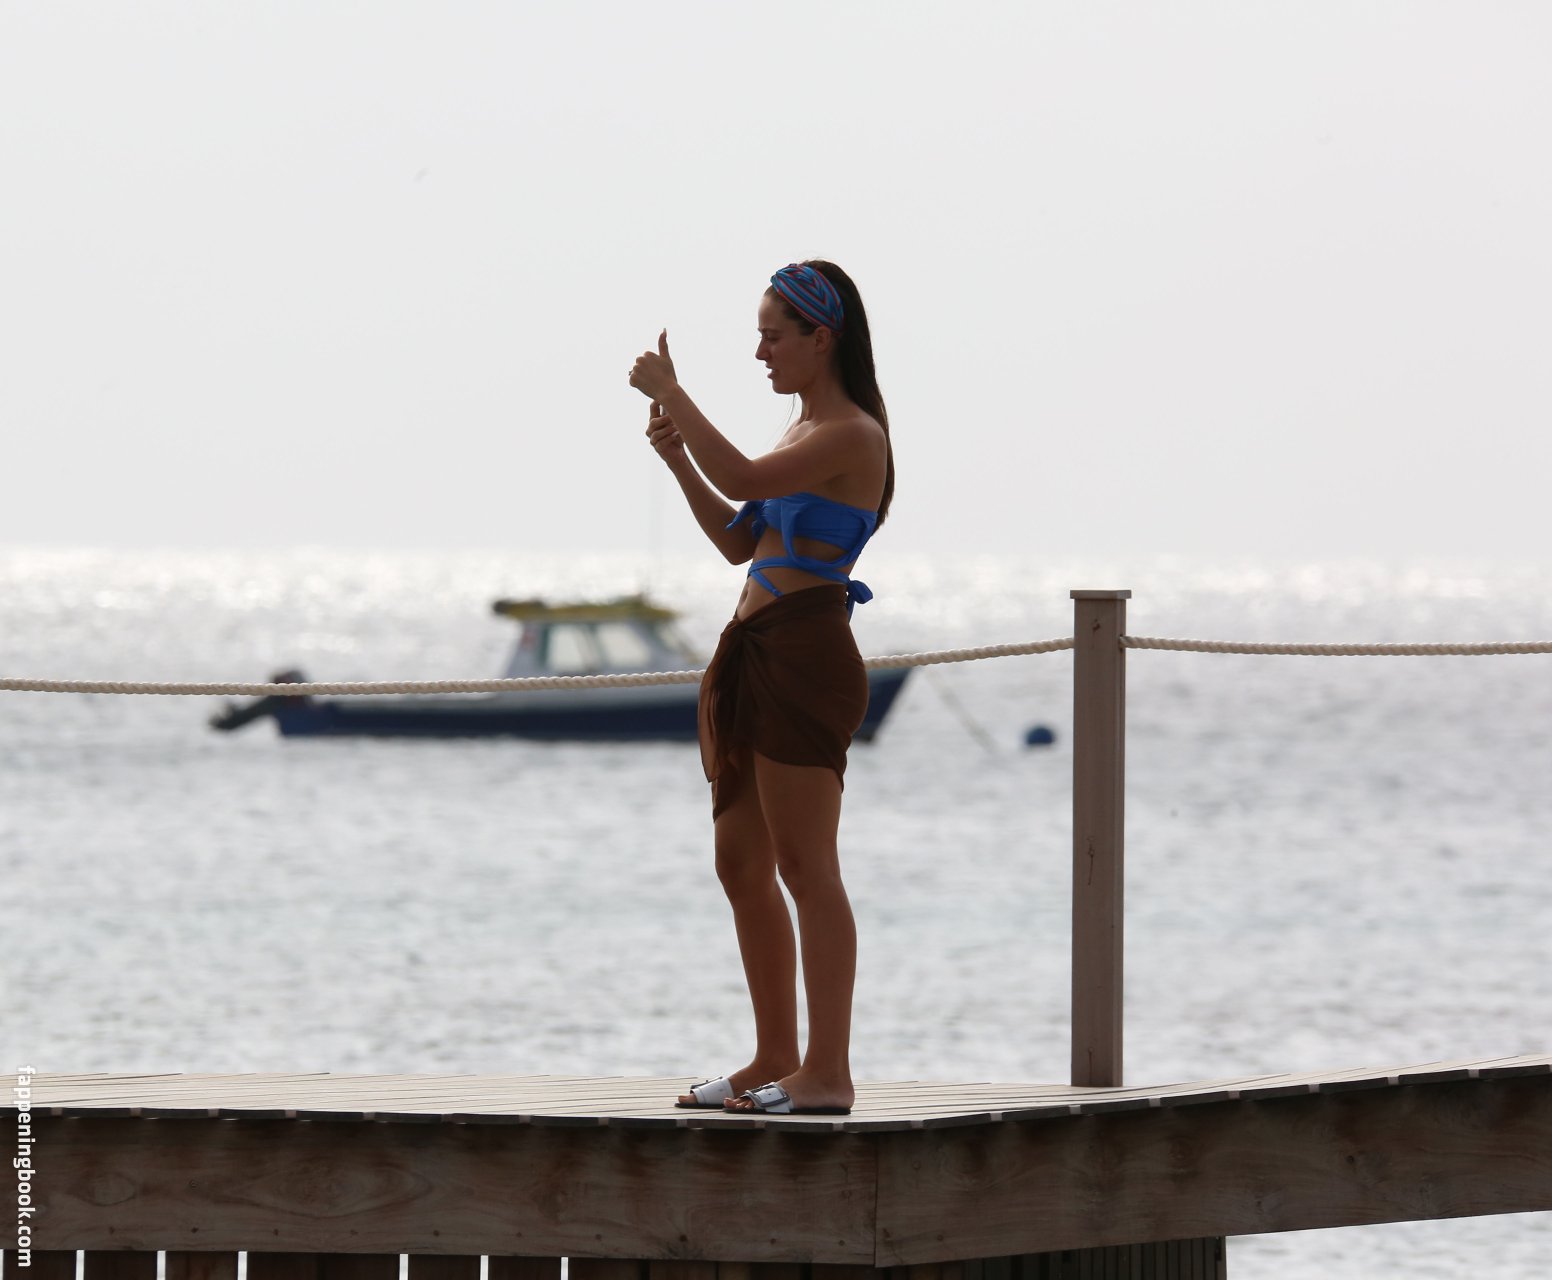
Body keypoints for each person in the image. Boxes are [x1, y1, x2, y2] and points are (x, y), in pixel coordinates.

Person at [627, 260, 894, 1116]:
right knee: (740, 862)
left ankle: (828, 1070)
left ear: (822, 338)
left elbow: (742, 478)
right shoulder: (798, 432)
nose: (760, 352)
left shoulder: (853, 435)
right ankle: (775, 1054)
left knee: (807, 866)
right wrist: (678, 460)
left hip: (807, 655)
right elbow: (739, 540)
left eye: (774, 336)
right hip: (752, 651)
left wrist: (674, 391)